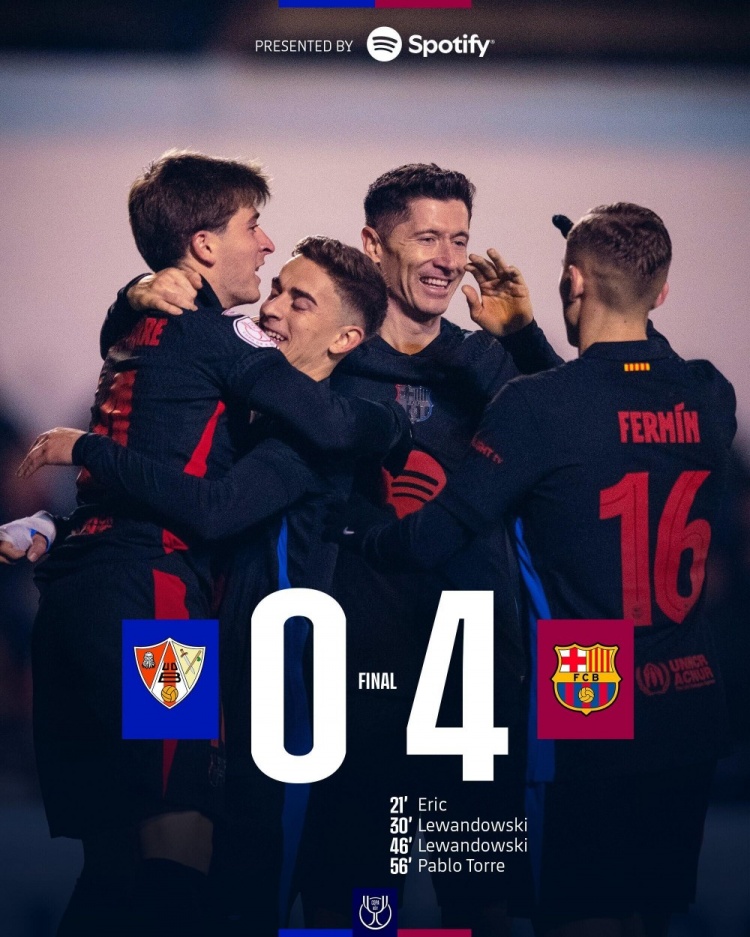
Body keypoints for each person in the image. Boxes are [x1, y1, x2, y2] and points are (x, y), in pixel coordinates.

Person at [123, 162, 562, 935]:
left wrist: (525, 336)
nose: (448, 258)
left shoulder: (487, 364)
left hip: (471, 689)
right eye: (426, 237)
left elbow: (579, 441)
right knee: (353, 912)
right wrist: (137, 292)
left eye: (459, 239)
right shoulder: (317, 360)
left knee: (486, 910)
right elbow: (190, 410)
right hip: (349, 695)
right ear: (375, 243)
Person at [4, 150, 407, 937]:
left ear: (346, 335)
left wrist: (75, 477)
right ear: (202, 244)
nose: (267, 254)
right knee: (179, 847)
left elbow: (268, 452)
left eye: (298, 297)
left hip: (91, 604)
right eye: (255, 230)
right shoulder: (224, 346)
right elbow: (245, 485)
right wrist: (389, 424)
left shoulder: (144, 326)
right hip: (155, 605)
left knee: (121, 863)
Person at [328, 203, 737, 937]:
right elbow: (612, 407)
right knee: (646, 916)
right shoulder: (710, 394)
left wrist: (354, 534)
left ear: (572, 281)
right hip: (689, 691)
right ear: (663, 292)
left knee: (580, 916)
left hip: (591, 686)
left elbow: (436, 534)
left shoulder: (536, 406)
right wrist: (526, 334)